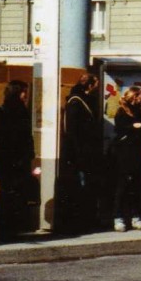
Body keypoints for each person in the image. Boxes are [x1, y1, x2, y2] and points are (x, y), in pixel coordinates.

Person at [0, 80, 35, 240]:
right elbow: (23, 137)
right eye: (24, 92)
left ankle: (6, 229)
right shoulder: (19, 112)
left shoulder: (0, 111)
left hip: (6, 160)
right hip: (15, 159)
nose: (26, 96)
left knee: (7, 194)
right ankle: (10, 228)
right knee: (13, 194)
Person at [59, 74, 101, 233]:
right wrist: (79, 152)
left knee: (84, 186)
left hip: (83, 153)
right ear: (89, 86)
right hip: (80, 154)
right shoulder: (77, 102)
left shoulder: (80, 100)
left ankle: (84, 220)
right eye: (95, 84)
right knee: (81, 187)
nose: (97, 88)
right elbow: (73, 131)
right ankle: (80, 221)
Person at [112, 85, 141, 232]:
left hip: (140, 155)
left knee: (138, 188)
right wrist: (136, 126)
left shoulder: (140, 112)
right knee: (122, 187)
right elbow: (120, 128)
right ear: (134, 97)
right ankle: (118, 218)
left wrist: (139, 125)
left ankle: (137, 217)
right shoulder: (121, 112)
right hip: (125, 156)